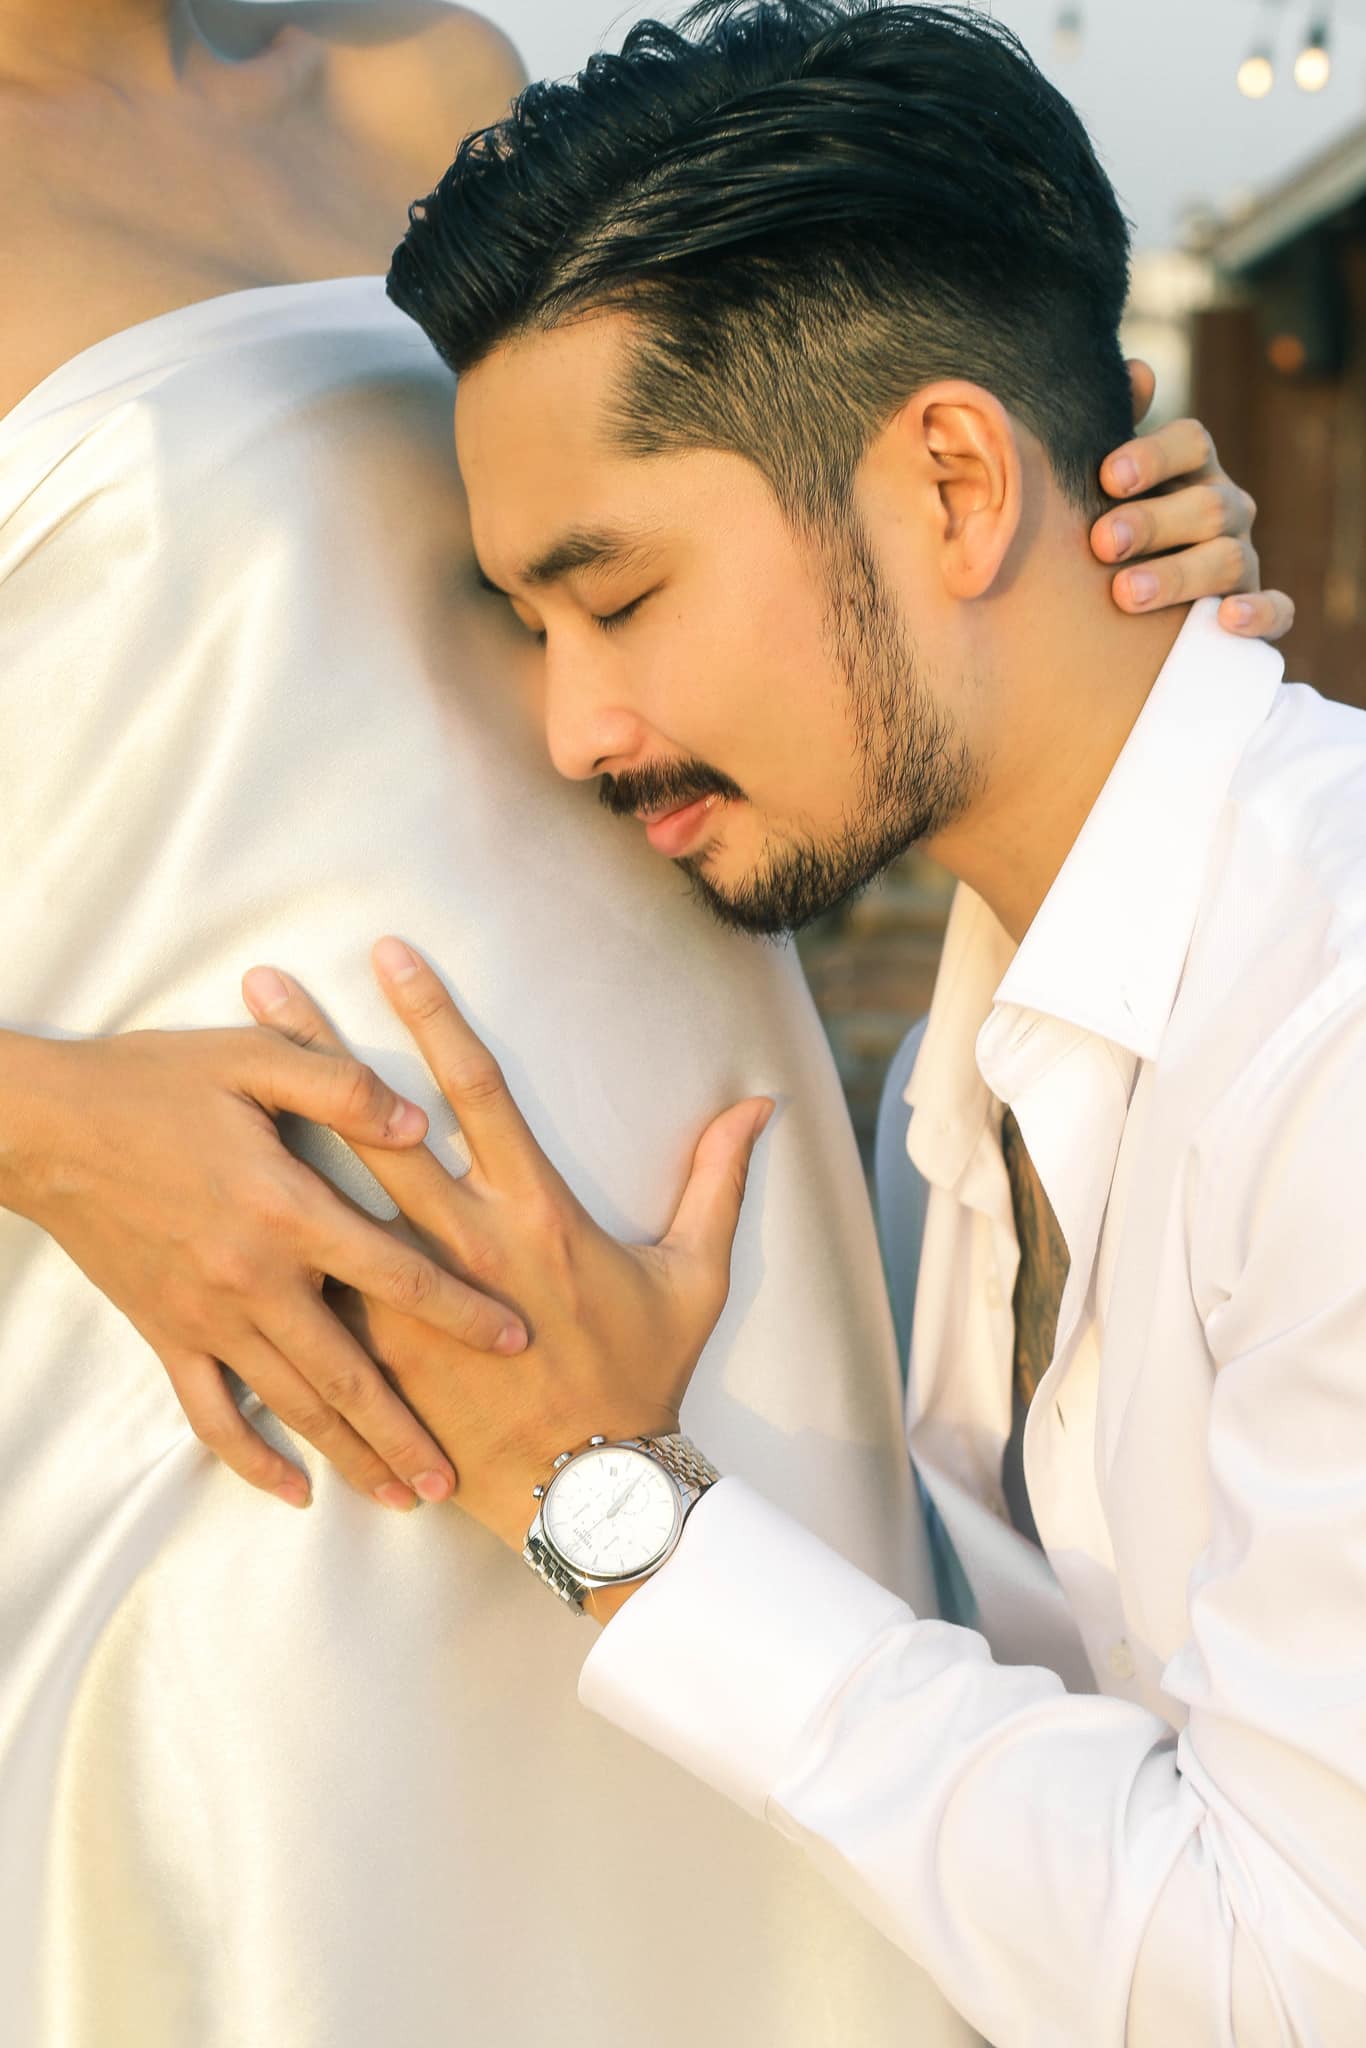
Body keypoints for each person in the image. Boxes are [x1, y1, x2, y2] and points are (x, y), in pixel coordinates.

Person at [0, 2, 1289, 2043]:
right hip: (275, 1351)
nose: (569, 705)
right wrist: (52, 1129)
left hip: (725, 1335)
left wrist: (1064, 537)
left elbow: (738, 526)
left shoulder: (437, 87)